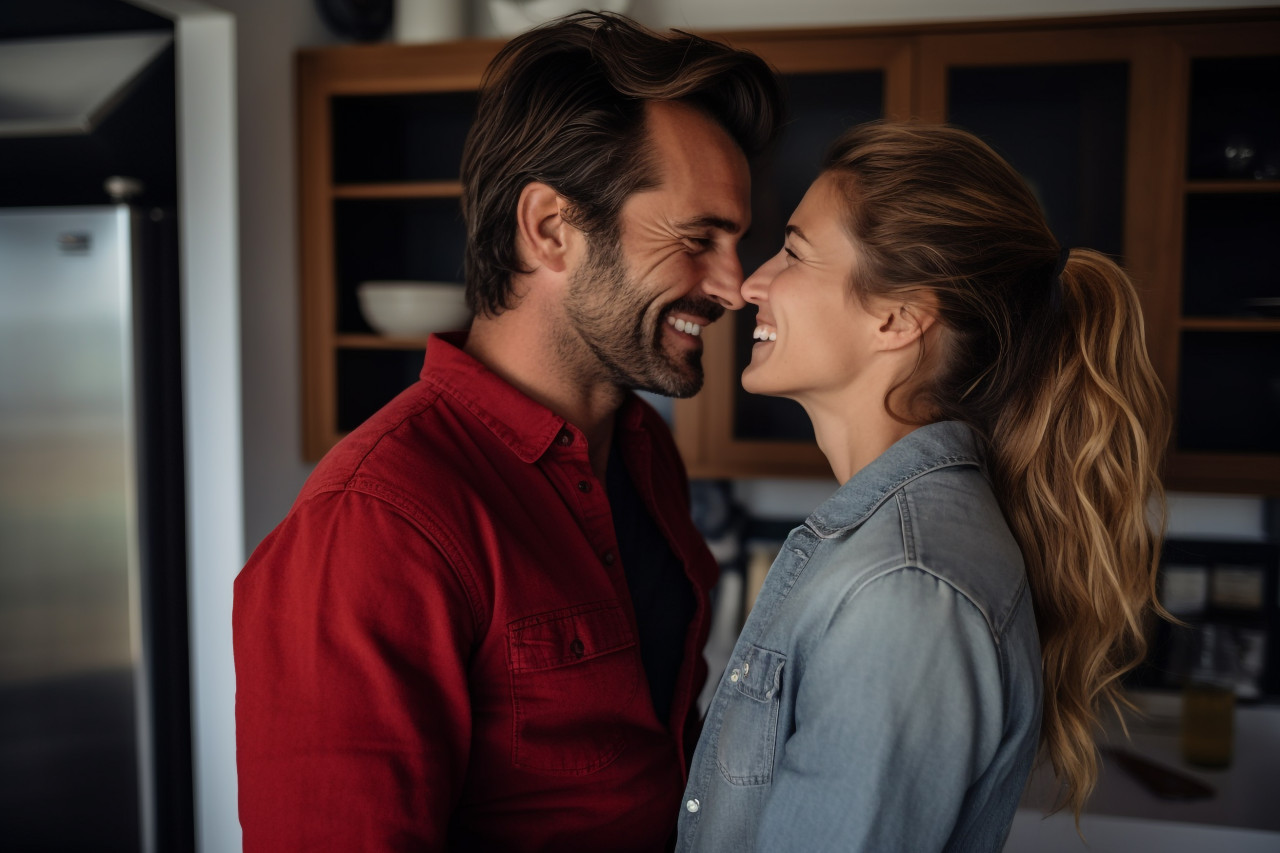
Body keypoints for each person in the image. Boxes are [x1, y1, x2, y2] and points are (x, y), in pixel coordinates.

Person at [234, 13, 781, 852]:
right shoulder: (372, 524)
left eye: (736, 242)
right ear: (551, 228)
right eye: (697, 238)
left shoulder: (645, 454)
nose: (735, 286)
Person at [676, 122, 1170, 852]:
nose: (751, 283)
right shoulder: (885, 553)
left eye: (794, 252)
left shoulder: (904, 589)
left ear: (899, 319)